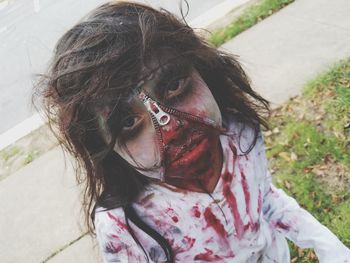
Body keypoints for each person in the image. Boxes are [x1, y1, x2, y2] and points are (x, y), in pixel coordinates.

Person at [34, 1, 350, 262]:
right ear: (104, 148)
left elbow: (264, 199)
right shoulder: (124, 227)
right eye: (128, 123)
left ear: (201, 69)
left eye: (173, 85)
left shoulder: (237, 133)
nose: (171, 126)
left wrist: (327, 245)